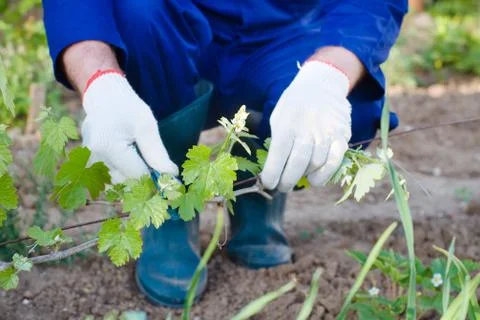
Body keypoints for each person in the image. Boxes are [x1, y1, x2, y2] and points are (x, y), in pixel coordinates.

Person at [42, 0, 407, 307]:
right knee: (137, 13)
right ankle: (166, 205)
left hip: (289, 29)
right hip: (168, 22)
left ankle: (260, 190)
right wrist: (99, 83)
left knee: (352, 107)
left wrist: (329, 75)